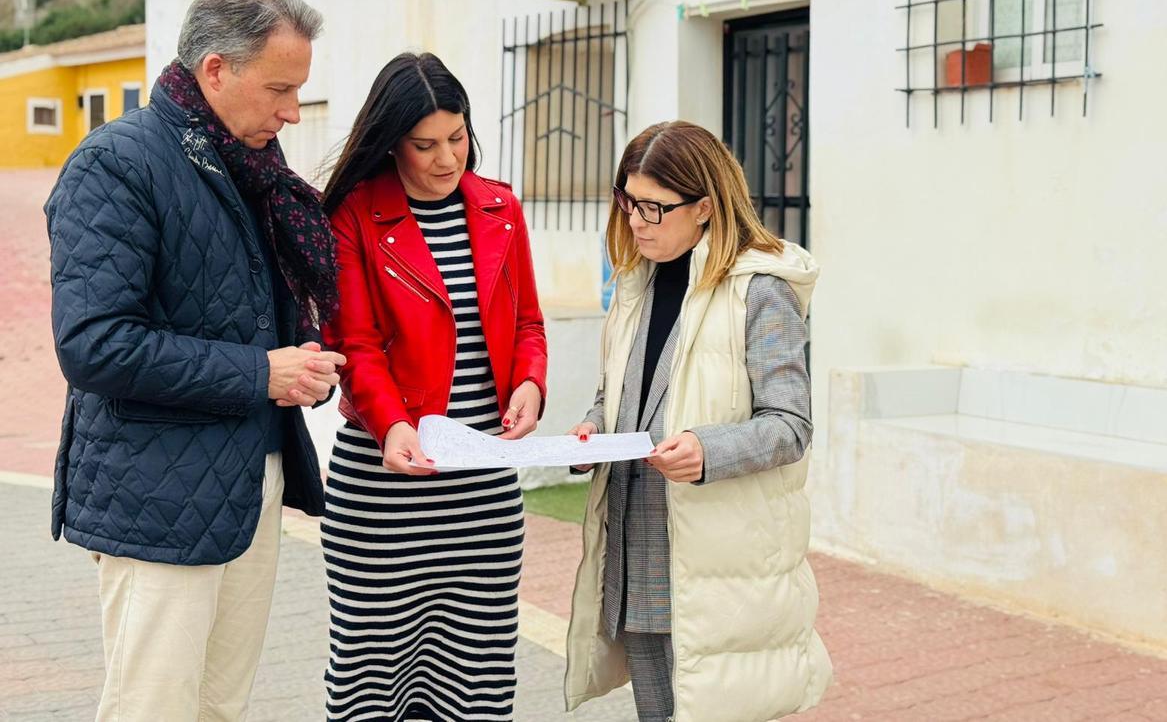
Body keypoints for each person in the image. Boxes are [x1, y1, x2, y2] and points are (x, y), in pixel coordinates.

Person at [44, 0, 346, 721]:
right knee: (154, 706)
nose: (292, 112)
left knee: (219, 707)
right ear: (216, 69)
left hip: (249, 480)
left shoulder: (253, 170)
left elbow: (253, 310)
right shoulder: (116, 164)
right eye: (279, 89)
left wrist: (301, 357)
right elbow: (93, 344)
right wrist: (261, 372)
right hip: (156, 496)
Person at [563, 121, 833, 722]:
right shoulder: (638, 279)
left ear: (705, 206)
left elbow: (790, 423)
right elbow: (619, 392)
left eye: (655, 208)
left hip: (714, 561)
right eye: (629, 203)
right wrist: (590, 429)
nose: (637, 222)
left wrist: (707, 451)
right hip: (634, 547)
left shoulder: (761, 290)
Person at [320, 52, 548, 721]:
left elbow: (528, 321)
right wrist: (393, 425)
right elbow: (353, 346)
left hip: (483, 493)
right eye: (426, 145)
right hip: (384, 492)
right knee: (370, 682)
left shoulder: (501, 207)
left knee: (478, 682)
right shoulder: (355, 215)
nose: (448, 158)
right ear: (391, 142)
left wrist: (530, 381)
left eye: (457, 136)